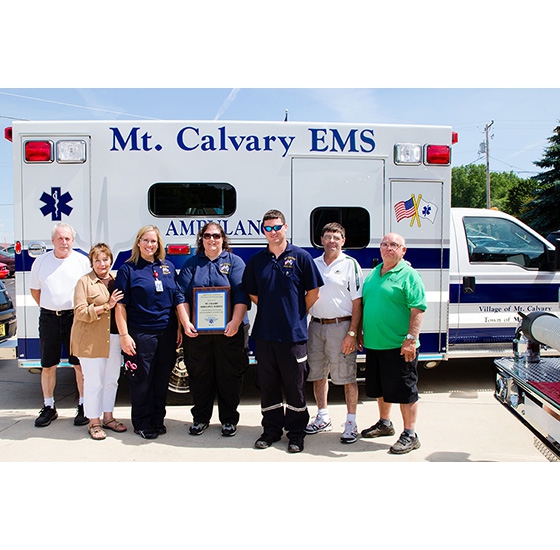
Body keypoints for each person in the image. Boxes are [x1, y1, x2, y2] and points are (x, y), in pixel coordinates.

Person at [242, 209, 323, 453]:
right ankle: (271, 430)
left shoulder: (301, 257)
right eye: (268, 228)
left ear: (285, 228)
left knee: (295, 387)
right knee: (268, 386)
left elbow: (313, 292)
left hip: (293, 336)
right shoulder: (257, 261)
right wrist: (272, 308)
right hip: (265, 335)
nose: (273, 232)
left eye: (277, 227)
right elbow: (253, 294)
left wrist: (296, 313)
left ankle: (296, 433)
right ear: (263, 231)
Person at [177, 222, 250, 437]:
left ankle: (228, 420)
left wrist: (235, 323)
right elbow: (180, 295)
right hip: (198, 334)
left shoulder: (235, 262)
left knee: (230, 376)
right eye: (207, 236)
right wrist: (185, 322)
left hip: (230, 332)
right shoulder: (192, 264)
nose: (212, 240)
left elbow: (241, 294)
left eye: (216, 236)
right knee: (200, 376)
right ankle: (200, 419)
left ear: (223, 239)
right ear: (202, 239)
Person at [115, 225, 188, 439]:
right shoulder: (128, 269)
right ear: (138, 242)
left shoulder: (167, 267)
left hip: (166, 332)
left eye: (154, 241)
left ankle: (157, 420)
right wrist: (124, 335)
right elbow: (120, 306)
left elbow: (175, 299)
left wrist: (179, 327)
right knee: (142, 380)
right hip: (141, 334)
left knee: (161, 378)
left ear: (159, 244)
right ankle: (142, 423)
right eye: (146, 240)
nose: (150, 245)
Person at [360, 232, 427, 454]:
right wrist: (360, 331)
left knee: (405, 391)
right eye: (385, 244)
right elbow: (366, 305)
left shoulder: (410, 275)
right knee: (381, 388)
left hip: (400, 346)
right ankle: (385, 423)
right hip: (375, 345)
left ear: (403, 250)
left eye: (394, 245)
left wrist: (410, 340)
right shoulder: (374, 274)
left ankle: (410, 434)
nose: (389, 248)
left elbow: (417, 309)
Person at [305, 222, 363, 444]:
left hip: (341, 326)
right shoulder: (313, 263)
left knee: (347, 376)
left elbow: (358, 302)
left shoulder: (350, 264)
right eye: (328, 236)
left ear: (343, 241)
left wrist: (352, 332)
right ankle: (322, 417)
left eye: (336, 237)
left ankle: (350, 422)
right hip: (316, 325)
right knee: (318, 374)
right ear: (321, 240)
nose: (331, 241)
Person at [30, 222, 91, 428]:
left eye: (67, 238)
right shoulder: (41, 261)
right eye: (60, 238)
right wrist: (51, 308)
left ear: (73, 241)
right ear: (53, 241)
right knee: (48, 365)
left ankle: (83, 405)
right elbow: (35, 291)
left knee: (79, 364)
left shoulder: (82, 262)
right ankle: (49, 407)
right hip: (49, 319)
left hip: (75, 318)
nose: (64, 242)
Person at [70, 243, 126, 440]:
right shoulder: (84, 282)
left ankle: (109, 418)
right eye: (97, 260)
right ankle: (94, 421)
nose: (102, 264)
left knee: (112, 380)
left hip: (114, 338)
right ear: (91, 262)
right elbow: (80, 312)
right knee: (94, 382)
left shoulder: (117, 280)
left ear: (111, 260)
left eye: (105, 259)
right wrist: (106, 305)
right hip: (91, 341)